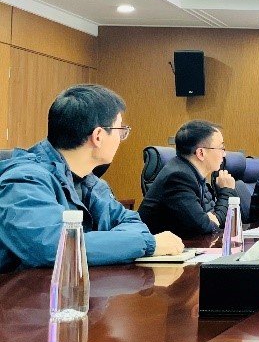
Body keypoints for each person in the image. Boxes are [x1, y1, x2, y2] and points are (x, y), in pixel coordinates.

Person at [0, 84, 183, 272]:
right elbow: (55, 246)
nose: (121, 138)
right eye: (120, 130)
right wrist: (146, 243)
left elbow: (132, 222)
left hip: (77, 286)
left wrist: (128, 241)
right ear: (98, 136)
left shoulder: (91, 182)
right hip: (26, 289)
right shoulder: (24, 180)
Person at [138, 120, 237, 238]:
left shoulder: (191, 173)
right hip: (156, 249)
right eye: (221, 148)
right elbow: (204, 227)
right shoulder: (178, 178)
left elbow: (210, 221)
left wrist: (212, 220)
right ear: (201, 153)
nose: (224, 154)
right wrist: (227, 191)